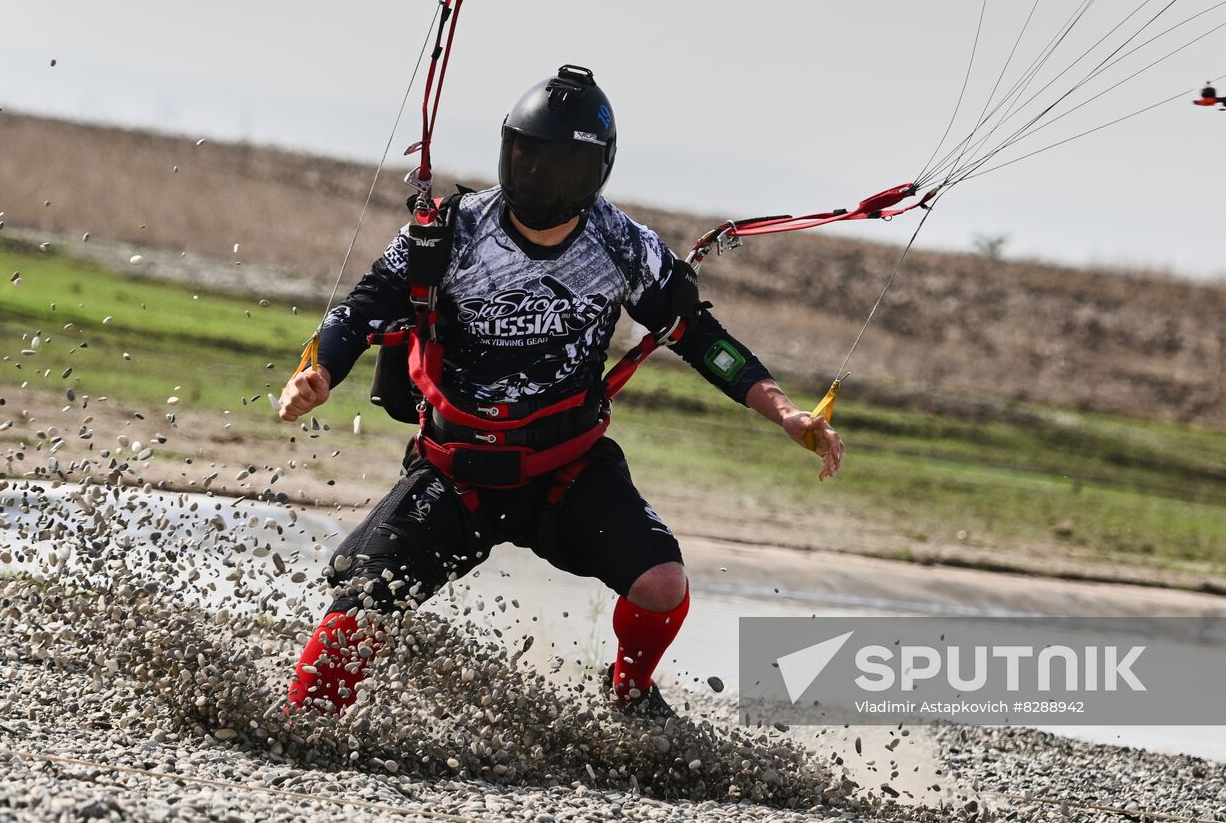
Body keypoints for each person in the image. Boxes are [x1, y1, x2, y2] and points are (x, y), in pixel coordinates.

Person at [279, 64, 844, 719]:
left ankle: (629, 694)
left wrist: (783, 412)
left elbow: (700, 336)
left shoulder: (624, 244)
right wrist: (320, 369)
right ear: (506, 150)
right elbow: (360, 309)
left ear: (593, 173)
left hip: (564, 471)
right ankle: (301, 727)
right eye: (525, 157)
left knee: (663, 583)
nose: (537, 177)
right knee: (358, 608)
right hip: (455, 471)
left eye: (558, 165)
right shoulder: (451, 231)